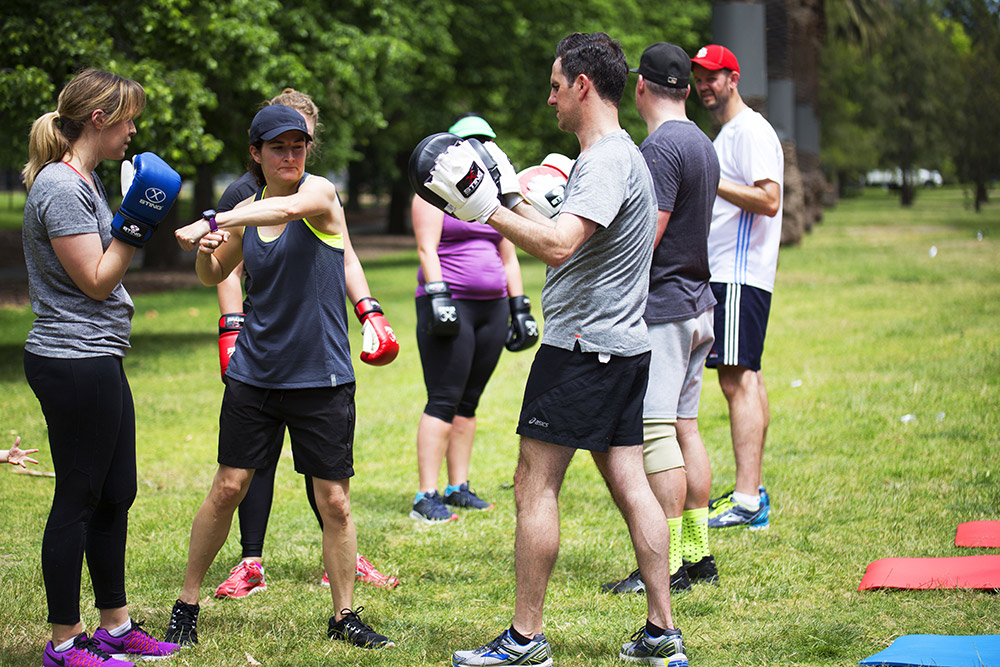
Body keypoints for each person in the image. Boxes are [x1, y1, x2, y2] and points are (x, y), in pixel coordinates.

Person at [422, 32, 688, 667]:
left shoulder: (605, 159)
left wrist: (485, 209)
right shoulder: (621, 156)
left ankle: (524, 639)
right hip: (621, 345)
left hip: (579, 349)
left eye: (555, 85)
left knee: (533, 484)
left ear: (583, 86)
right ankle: (661, 631)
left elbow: (560, 245)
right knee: (631, 483)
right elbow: (564, 231)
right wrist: (509, 190)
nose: (550, 99)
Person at [167, 104, 397, 650]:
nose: (291, 155)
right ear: (257, 153)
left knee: (335, 501)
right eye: (279, 147)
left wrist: (212, 221)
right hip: (257, 374)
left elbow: (292, 208)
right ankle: (186, 605)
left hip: (322, 376)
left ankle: (344, 617)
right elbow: (212, 274)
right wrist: (207, 248)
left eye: (298, 145)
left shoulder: (319, 195)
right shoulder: (245, 214)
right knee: (228, 487)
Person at [21, 68, 180, 666]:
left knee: (117, 491)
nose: (132, 131)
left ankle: (115, 626)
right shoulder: (61, 188)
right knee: (79, 496)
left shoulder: (84, 182)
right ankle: (64, 641)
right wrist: (138, 223)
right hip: (71, 356)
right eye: (127, 119)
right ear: (98, 119)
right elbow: (94, 281)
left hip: (99, 354)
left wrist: (141, 221)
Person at [602, 42, 721, 596]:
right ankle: (698, 553)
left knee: (655, 431)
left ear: (641, 87)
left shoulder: (660, 149)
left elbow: (646, 237)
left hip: (667, 309)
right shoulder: (701, 141)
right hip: (700, 305)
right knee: (686, 427)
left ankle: (669, 560)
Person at [410, 113, 537, 524]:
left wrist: (519, 305)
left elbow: (508, 254)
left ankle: (457, 487)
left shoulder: (491, 196)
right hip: (452, 304)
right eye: (474, 144)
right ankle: (425, 495)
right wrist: (439, 296)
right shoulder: (431, 190)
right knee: (443, 399)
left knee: (468, 402)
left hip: (492, 307)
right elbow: (428, 249)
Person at [690, 44, 783, 529]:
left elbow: (769, 199)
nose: (705, 84)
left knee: (735, 379)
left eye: (713, 76)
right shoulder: (729, 133)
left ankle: (747, 501)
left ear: (734, 77)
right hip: (733, 272)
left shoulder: (748, 130)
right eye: (699, 77)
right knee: (749, 377)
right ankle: (754, 493)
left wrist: (712, 179)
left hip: (739, 272)